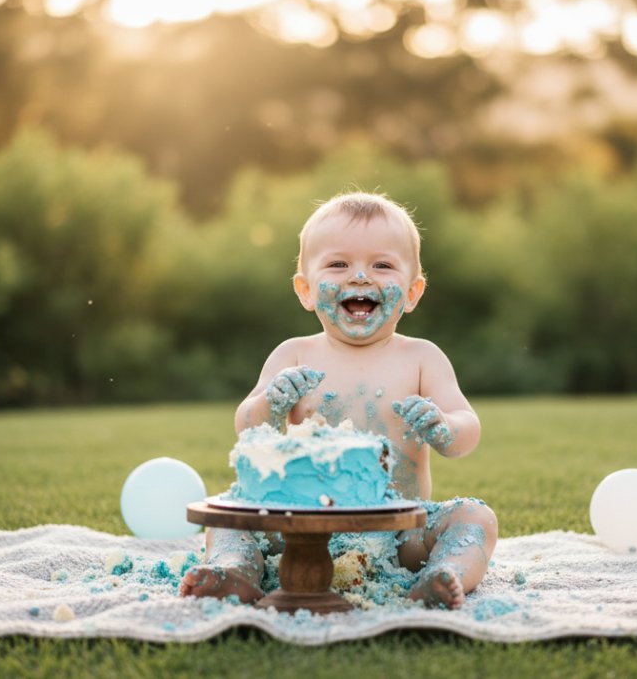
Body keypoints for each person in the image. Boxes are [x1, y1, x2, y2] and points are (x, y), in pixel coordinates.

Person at [178, 191, 498, 609]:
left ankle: (445, 573)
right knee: (228, 519)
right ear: (306, 290)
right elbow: (248, 427)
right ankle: (234, 568)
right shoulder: (294, 355)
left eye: (382, 265)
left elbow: (466, 430)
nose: (360, 277)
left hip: (401, 534)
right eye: (338, 264)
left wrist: (443, 426)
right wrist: (271, 404)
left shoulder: (422, 358)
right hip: (297, 530)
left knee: (475, 518)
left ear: (414, 291)